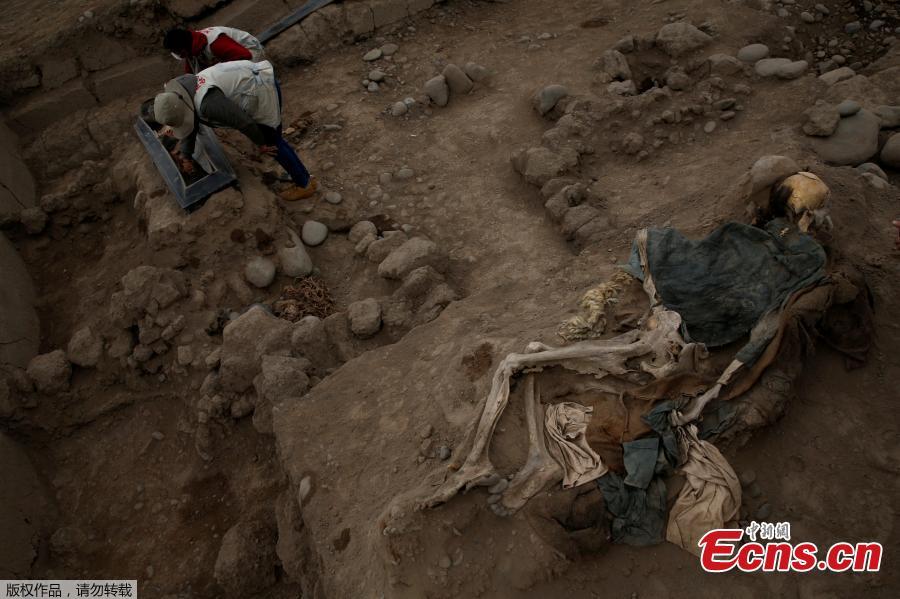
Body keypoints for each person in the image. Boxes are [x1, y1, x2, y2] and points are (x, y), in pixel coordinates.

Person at [151, 60, 317, 201]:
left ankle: (305, 184)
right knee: (274, 141)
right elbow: (191, 123)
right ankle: (301, 175)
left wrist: (261, 143)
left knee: (273, 144)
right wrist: (186, 156)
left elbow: (244, 123)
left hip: (261, 87)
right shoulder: (183, 91)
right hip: (247, 78)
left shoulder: (208, 104)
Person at [163, 26, 265, 74]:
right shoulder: (191, 48)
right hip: (237, 55)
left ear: (182, 50)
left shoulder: (215, 43)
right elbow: (191, 76)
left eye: (175, 51)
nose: (175, 55)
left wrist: (217, 71)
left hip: (250, 51)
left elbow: (245, 56)